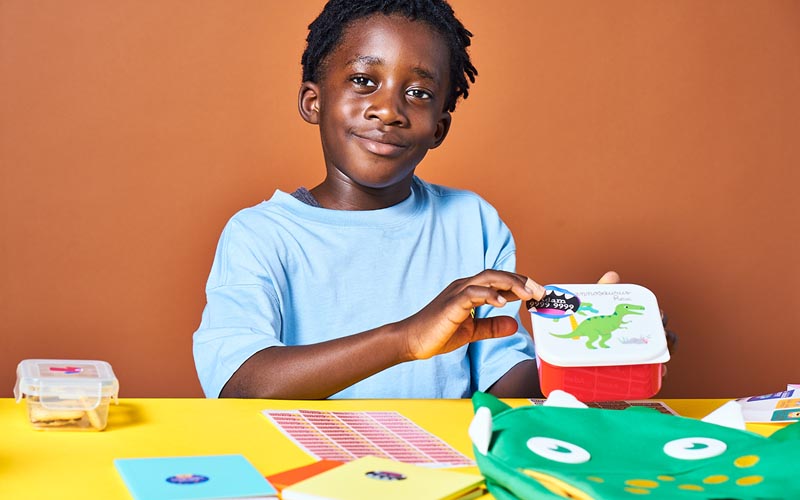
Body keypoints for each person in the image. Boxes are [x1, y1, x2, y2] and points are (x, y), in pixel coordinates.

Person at [192, 0, 620, 400]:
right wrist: (407, 339)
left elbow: (502, 384)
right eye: (363, 81)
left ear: (439, 128)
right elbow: (239, 382)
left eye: (418, 93)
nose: (389, 109)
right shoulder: (262, 234)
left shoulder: (473, 223)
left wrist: (591, 357)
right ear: (313, 102)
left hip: (441, 470)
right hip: (308, 469)